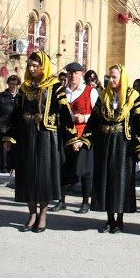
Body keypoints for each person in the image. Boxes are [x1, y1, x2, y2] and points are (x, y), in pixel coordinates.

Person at [2, 52, 81, 233]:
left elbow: (66, 113)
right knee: (28, 175)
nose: (32, 69)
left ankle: (43, 214)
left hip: (46, 136)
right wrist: (9, 137)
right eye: (29, 65)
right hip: (26, 136)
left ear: (43, 66)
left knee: (43, 176)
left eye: (35, 66)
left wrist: (72, 138)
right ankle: (31, 214)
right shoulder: (25, 88)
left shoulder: (54, 87)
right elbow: (15, 114)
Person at [83, 64, 140, 233]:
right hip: (105, 142)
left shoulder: (133, 97)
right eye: (109, 77)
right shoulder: (103, 95)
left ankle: (119, 219)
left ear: (122, 78)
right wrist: (86, 139)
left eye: (114, 77)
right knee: (105, 178)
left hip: (123, 144)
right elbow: (94, 119)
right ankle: (109, 219)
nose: (110, 80)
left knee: (120, 180)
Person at [53, 63, 99, 214]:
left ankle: (86, 201)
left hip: (83, 134)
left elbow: (98, 114)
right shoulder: (62, 92)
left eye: (76, 73)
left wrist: (84, 117)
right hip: (66, 134)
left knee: (85, 169)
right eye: (70, 73)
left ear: (81, 74)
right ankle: (61, 200)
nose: (73, 76)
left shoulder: (90, 92)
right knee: (64, 166)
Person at [0, 75, 21, 173]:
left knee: (16, 147)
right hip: (3, 125)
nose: (12, 86)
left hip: (16, 126)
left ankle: (14, 167)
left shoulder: (20, 96)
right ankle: (4, 167)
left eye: (14, 84)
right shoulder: (1, 96)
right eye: (10, 84)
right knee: (3, 148)